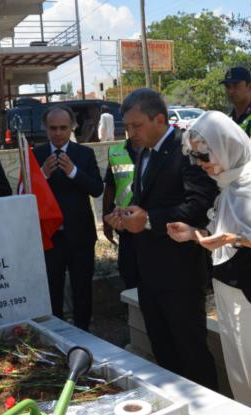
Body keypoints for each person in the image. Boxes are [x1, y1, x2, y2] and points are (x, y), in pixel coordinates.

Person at [167, 111, 251, 415]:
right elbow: (224, 241)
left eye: (203, 154)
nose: (200, 163)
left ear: (223, 145)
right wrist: (194, 235)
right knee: (241, 377)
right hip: (231, 290)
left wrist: (235, 238)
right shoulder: (229, 178)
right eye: (195, 156)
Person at [104, 88, 219, 391]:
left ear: (159, 119)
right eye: (126, 126)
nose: (130, 133)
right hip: (149, 272)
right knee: (164, 353)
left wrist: (150, 219)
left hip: (180, 274)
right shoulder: (143, 150)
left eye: (136, 126)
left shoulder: (188, 148)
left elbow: (200, 206)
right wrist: (128, 216)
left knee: (192, 354)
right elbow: (146, 204)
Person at [33, 105, 103, 332]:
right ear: (45, 128)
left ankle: (83, 333)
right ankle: (55, 334)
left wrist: (74, 172)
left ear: (72, 127)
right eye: (52, 128)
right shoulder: (35, 155)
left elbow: (97, 189)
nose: (58, 133)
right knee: (51, 288)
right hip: (49, 236)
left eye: (63, 127)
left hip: (80, 235)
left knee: (82, 287)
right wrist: (42, 174)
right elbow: (25, 194)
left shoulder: (85, 154)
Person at [102, 137, 140, 290]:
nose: (131, 130)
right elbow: (110, 187)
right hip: (125, 226)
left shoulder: (157, 148)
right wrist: (106, 221)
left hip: (152, 225)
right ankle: (132, 311)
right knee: (128, 273)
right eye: (127, 125)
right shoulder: (116, 152)